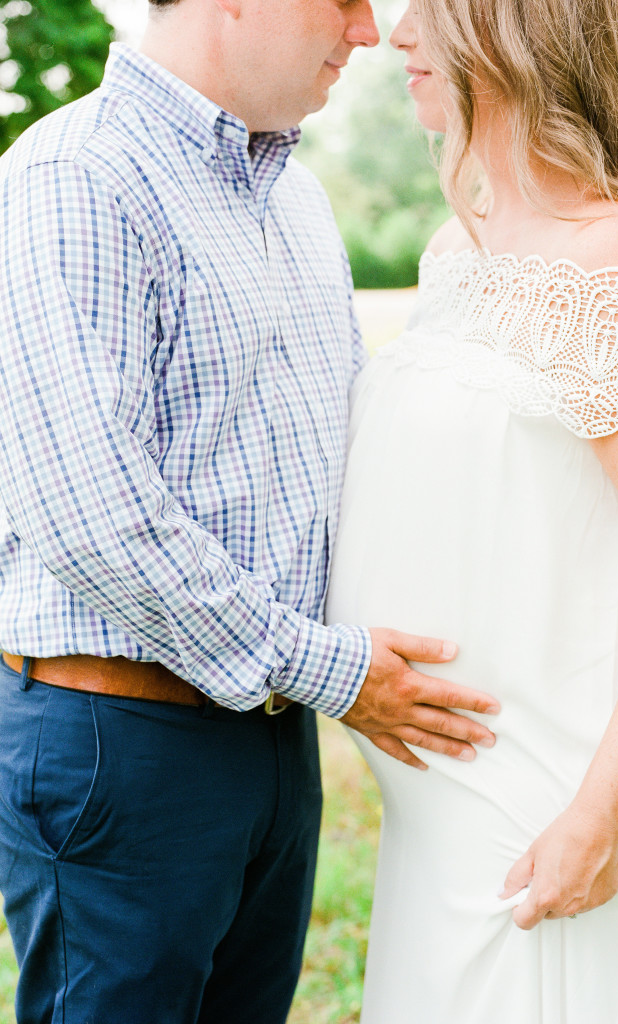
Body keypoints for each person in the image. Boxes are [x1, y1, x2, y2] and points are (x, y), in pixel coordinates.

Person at [0, 0, 502, 1021]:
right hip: (121, 743)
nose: (369, 32)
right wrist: (335, 669)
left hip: (272, 742)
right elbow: (97, 516)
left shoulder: (299, 201)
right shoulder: (76, 174)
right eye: (347, 0)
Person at [325, 0, 618, 1020]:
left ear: (516, 27)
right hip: (445, 817)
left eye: (427, 10)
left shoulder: (614, 254)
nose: (396, 37)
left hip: (549, 813)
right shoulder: (459, 249)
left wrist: (598, 817)